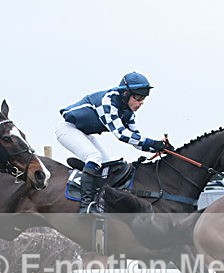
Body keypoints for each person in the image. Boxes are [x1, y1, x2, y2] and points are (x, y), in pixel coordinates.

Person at [55, 72, 169, 214]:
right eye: (138, 97)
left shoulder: (128, 112)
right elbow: (121, 134)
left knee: (106, 165)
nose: (141, 102)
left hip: (83, 133)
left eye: (143, 98)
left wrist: (158, 148)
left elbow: (136, 139)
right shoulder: (108, 101)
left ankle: (99, 200)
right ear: (126, 93)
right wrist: (153, 142)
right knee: (94, 156)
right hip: (67, 129)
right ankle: (86, 206)